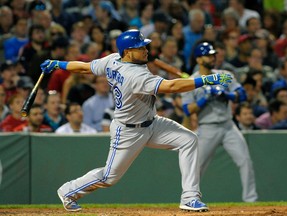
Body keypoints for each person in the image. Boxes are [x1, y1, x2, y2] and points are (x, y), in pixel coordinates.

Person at [40, 29, 232, 212]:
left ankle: (190, 197)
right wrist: (205, 80)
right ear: (128, 52)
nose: (146, 50)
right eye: (141, 47)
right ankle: (68, 191)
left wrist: (58, 64)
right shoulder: (135, 75)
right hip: (128, 131)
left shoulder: (112, 60)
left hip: (151, 123)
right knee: (109, 177)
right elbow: (172, 86)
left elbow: (84, 67)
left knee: (188, 140)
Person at [181, 42, 258, 203]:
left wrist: (227, 95)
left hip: (228, 125)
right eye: (208, 55)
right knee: (197, 167)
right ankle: (190, 198)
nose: (213, 57)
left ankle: (251, 200)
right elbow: (188, 110)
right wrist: (205, 98)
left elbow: (242, 95)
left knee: (245, 161)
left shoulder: (223, 74)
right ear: (199, 59)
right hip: (207, 127)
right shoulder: (192, 81)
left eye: (213, 54)